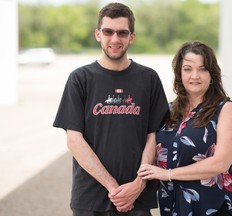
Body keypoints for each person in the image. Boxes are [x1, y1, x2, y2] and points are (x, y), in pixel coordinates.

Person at [53, 3, 169, 216]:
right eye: (108, 31)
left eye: (122, 32)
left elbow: (154, 136)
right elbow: (74, 140)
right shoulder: (80, 79)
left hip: (137, 199)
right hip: (90, 198)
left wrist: (138, 184)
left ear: (131, 37)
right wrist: (114, 188)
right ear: (98, 34)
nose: (115, 39)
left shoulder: (149, 79)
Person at [138, 41, 232, 216]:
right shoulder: (169, 110)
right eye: (188, 69)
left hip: (210, 206)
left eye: (202, 69)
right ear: (179, 73)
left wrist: (168, 174)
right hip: (171, 205)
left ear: (212, 74)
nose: (195, 75)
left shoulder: (225, 109)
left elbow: (220, 163)